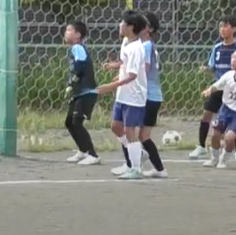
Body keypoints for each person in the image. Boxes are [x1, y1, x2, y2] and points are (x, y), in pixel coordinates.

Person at [97, 10, 149, 180]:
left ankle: (136, 168)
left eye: (123, 23)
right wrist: (114, 66)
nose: (120, 25)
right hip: (123, 94)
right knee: (116, 126)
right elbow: (125, 64)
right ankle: (138, 153)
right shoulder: (126, 42)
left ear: (131, 26)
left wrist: (110, 86)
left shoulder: (137, 48)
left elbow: (133, 75)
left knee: (129, 130)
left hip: (134, 96)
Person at [189, 16, 236, 161]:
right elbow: (213, 67)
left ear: (234, 29)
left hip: (234, 89)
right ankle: (201, 147)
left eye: (225, 26)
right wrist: (206, 69)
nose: (222, 29)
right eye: (221, 26)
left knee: (233, 118)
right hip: (219, 88)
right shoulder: (217, 48)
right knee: (206, 115)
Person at [64, 20, 100, 165]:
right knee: (69, 122)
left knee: (76, 122)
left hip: (86, 92)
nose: (66, 33)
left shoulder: (77, 47)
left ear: (78, 35)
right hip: (78, 92)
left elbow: (80, 66)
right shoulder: (75, 48)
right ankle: (83, 151)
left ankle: (92, 154)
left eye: (69, 30)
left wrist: (73, 80)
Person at [140, 11, 167, 178]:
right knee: (140, 134)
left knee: (142, 135)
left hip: (150, 95)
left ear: (149, 29)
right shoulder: (146, 45)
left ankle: (157, 168)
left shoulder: (146, 46)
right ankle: (157, 168)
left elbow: (145, 69)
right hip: (149, 95)